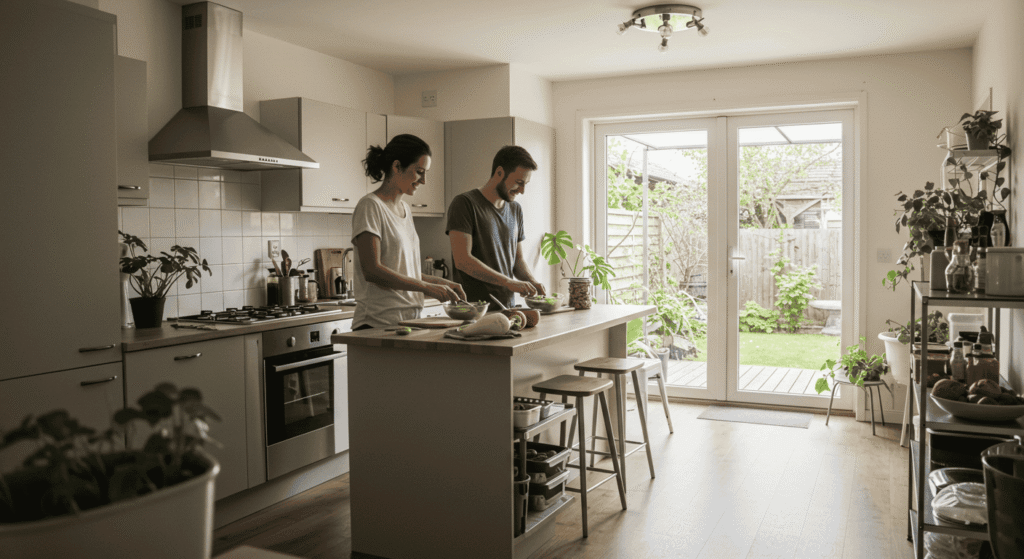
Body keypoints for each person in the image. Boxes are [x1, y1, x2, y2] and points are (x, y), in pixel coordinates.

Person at [351, 134, 465, 329]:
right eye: (419, 171)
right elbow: (373, 271)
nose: (424, 180)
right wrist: (428, 287)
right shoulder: (370, 206)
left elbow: (404, 272)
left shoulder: (405, 210)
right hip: (377, 324)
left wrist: (442, 283)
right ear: (396, 167)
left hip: (408, 322)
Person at [446, 145, 547, 310]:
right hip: (473, 310)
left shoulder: (515, 210)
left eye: (525, 184)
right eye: (518, 183)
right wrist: (509, 282)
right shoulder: (464, 203)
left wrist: (532, 282)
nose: (522, 191)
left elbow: (517, 260)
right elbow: (463, 260)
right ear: (499, 172)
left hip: (507, 309)